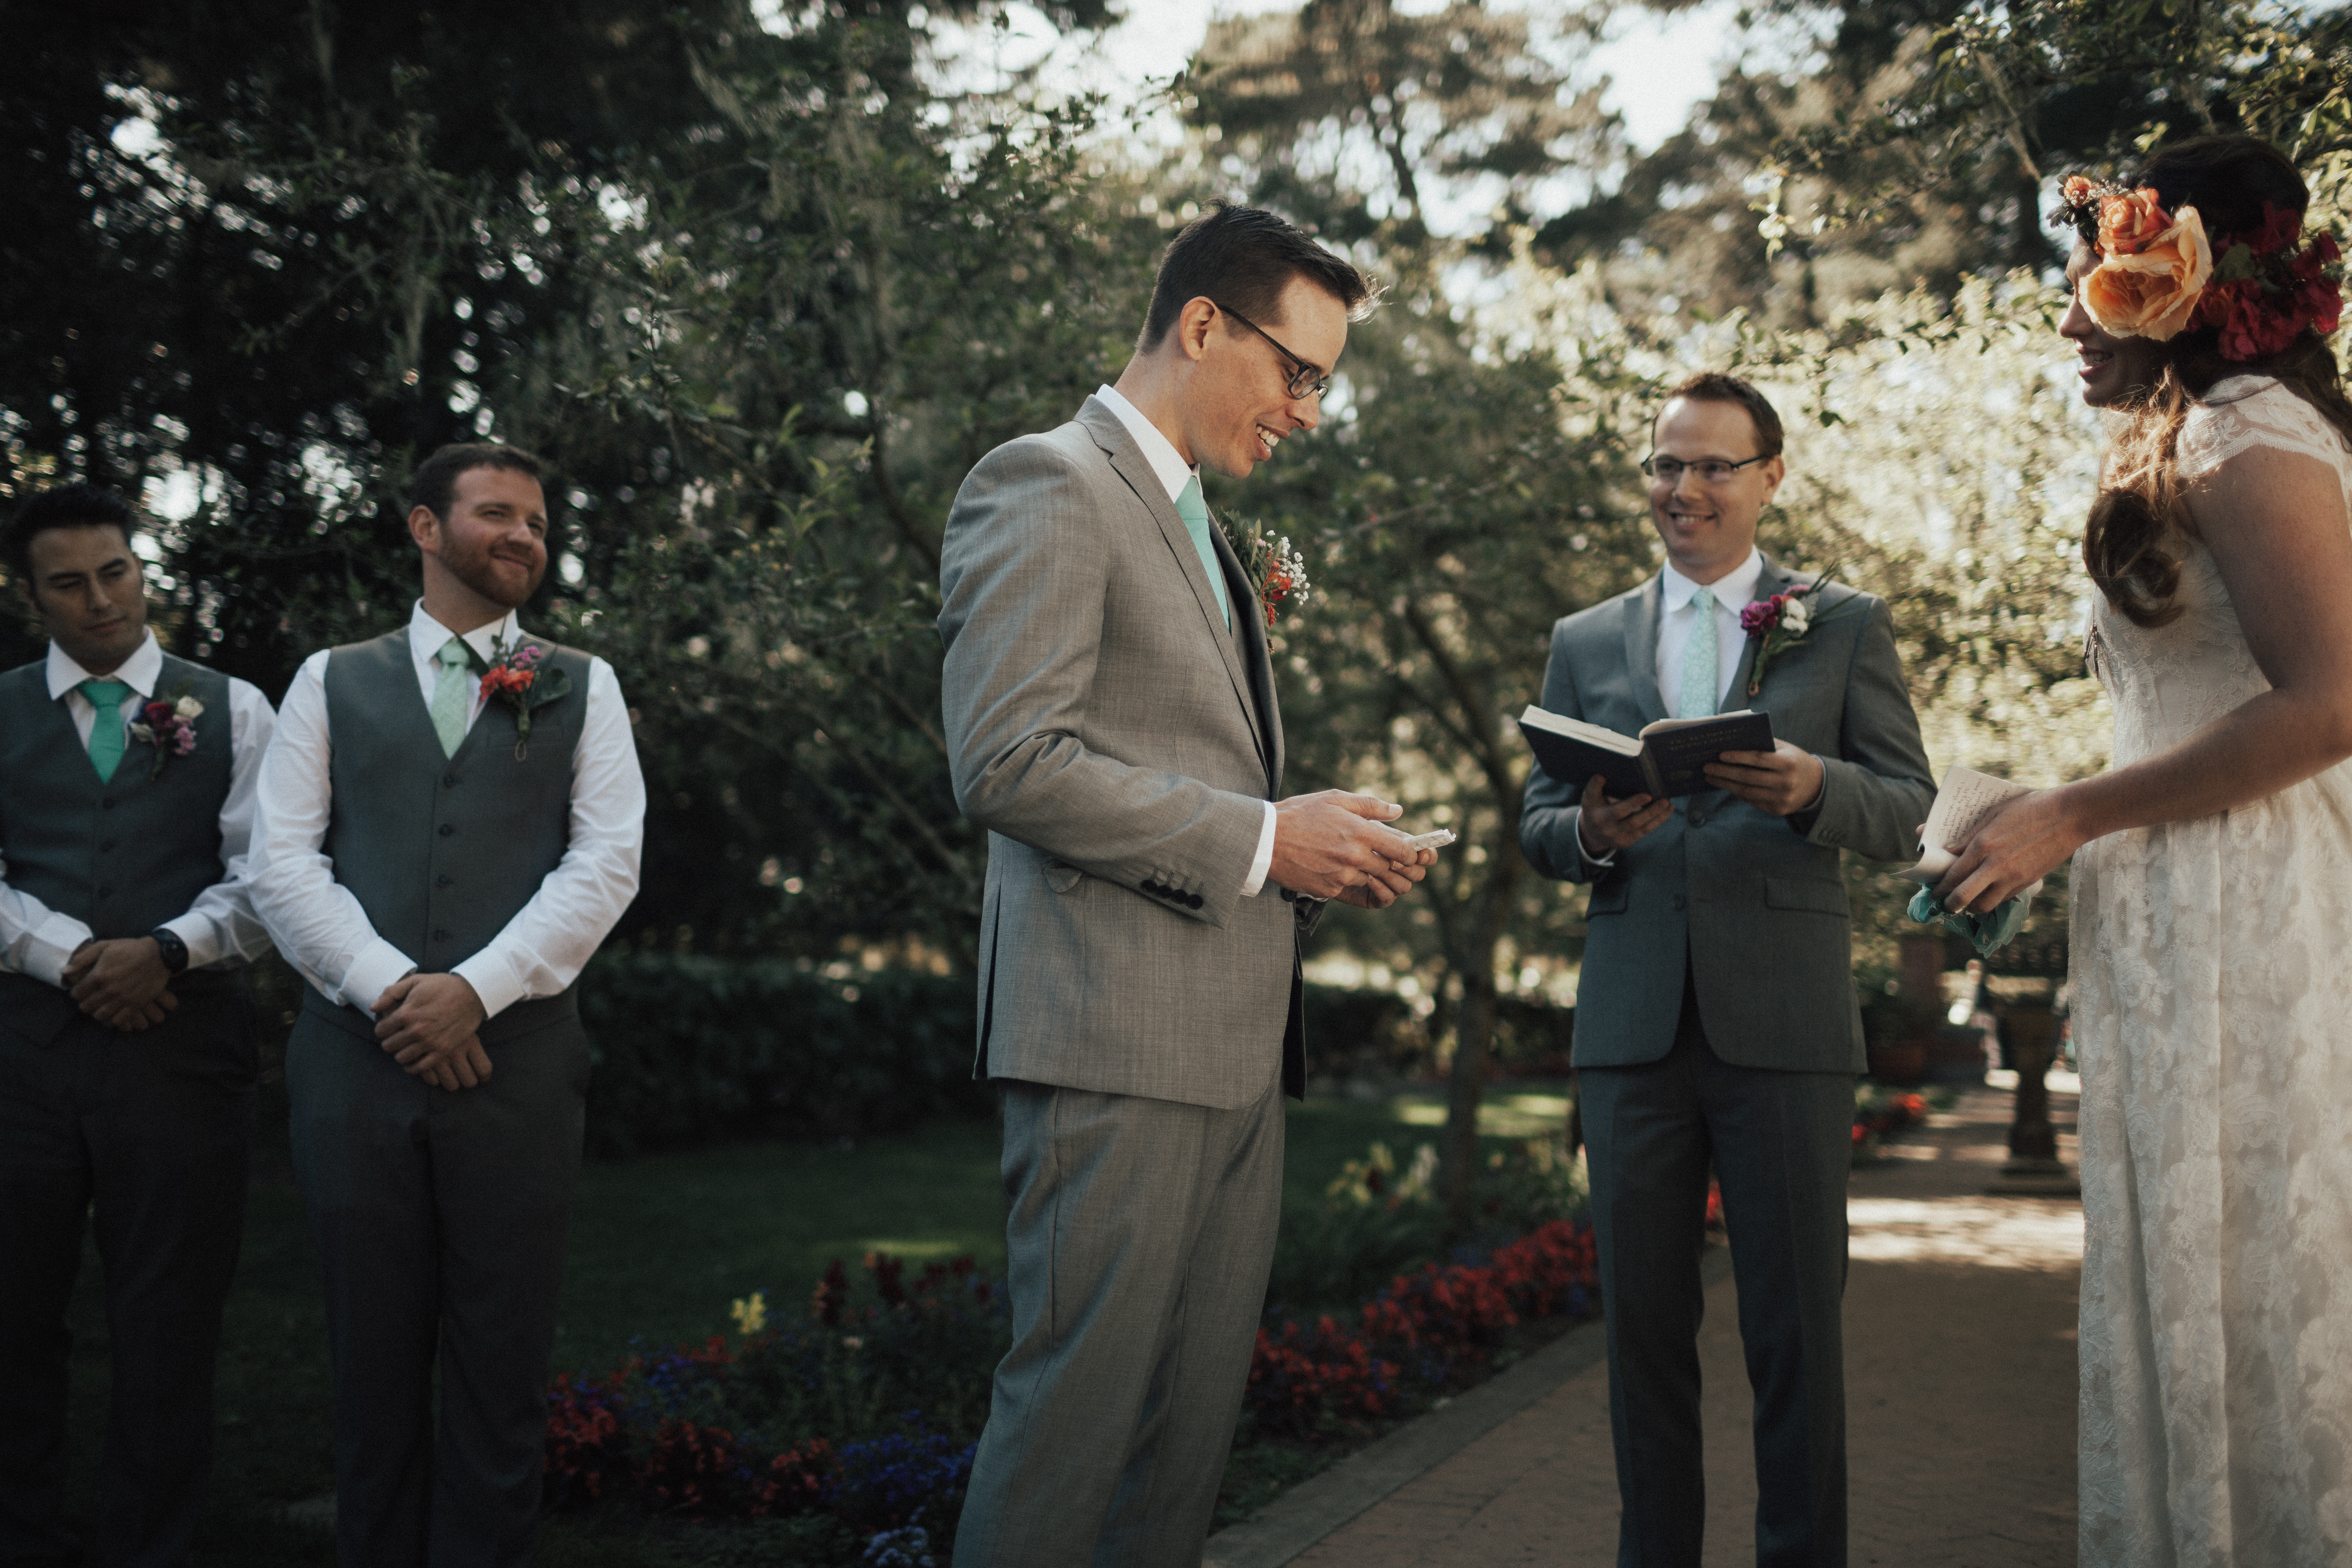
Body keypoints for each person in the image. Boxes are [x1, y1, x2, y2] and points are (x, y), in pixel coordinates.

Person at [937, 204, 1437, 1566]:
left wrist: (1317, 844)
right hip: (1111, 1044)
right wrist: (1269, 840)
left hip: (1230, 1055)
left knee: (1181, 1448)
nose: (1312, 413)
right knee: (1073, 1434)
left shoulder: (1202, 527)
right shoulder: (1046, 481)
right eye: (1301, 372)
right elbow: (1007, 761)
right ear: (1204, 325)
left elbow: (1186, 768)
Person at [1940, 134, 2352, 1565]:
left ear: (2183, 291)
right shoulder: (2204, 436)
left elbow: (2331, 705)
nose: (2068, 313)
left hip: (2250, 909)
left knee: (2256, 1272)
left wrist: (2071, 815)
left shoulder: (2249, 441)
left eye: (2097, 281)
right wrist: (2043, 805)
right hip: (2182, 894)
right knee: (2192, 1270)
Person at [1519, 371, 1935, 1568]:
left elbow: (1911, 810)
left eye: (1710, 466)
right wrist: (1592, 834)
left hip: (1788, 1033)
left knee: (1795, 1336)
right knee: (1641, 1337)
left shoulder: (1841, 621)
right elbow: (1542, 821)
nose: (1682, 489)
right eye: (1664, 465)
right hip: (1631, 1035)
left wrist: (1816, 788)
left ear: (1771, 478)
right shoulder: (1585, 640)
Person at [249, 443, 645, 1567]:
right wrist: (395, 994)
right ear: (425, 527)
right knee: (370, 1367)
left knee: (500, 1366)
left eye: (537, 520)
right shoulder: (331, 679)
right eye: (496, 514)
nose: (524, 535)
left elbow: (605, 865)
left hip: (518, 1071)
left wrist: (474, 992)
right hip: (352, 1066)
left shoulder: (586, 683)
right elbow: (282, 864)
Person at [0, 483, 277, 1568]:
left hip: (184, 1044)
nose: (101, 599)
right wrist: (68, 957)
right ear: (32, 598)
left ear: (140, 568)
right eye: (69, 583)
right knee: (13, 1313)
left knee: (168, 1320)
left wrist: (165, 951)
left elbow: (273, 877)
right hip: (21, 1047)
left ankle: (149, 1547)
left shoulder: (236, 709)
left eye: (116, 571)